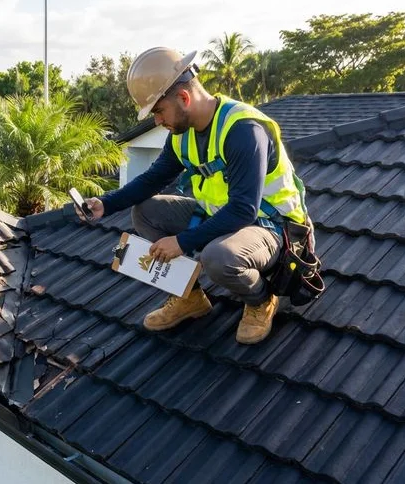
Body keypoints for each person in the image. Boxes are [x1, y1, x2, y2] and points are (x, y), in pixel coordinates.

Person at [82, 47, 313, 345]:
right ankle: (189, 297)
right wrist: (106, 203)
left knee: (217, 257)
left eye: (158, 111)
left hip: (272, 226)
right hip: (221, 215)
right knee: (145, 212)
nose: (157, 121)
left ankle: (260, 300)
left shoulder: (242, 130)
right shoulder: (182, 135)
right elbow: (154, 179)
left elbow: (243, 210)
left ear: (184, 98)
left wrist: (182, 242)